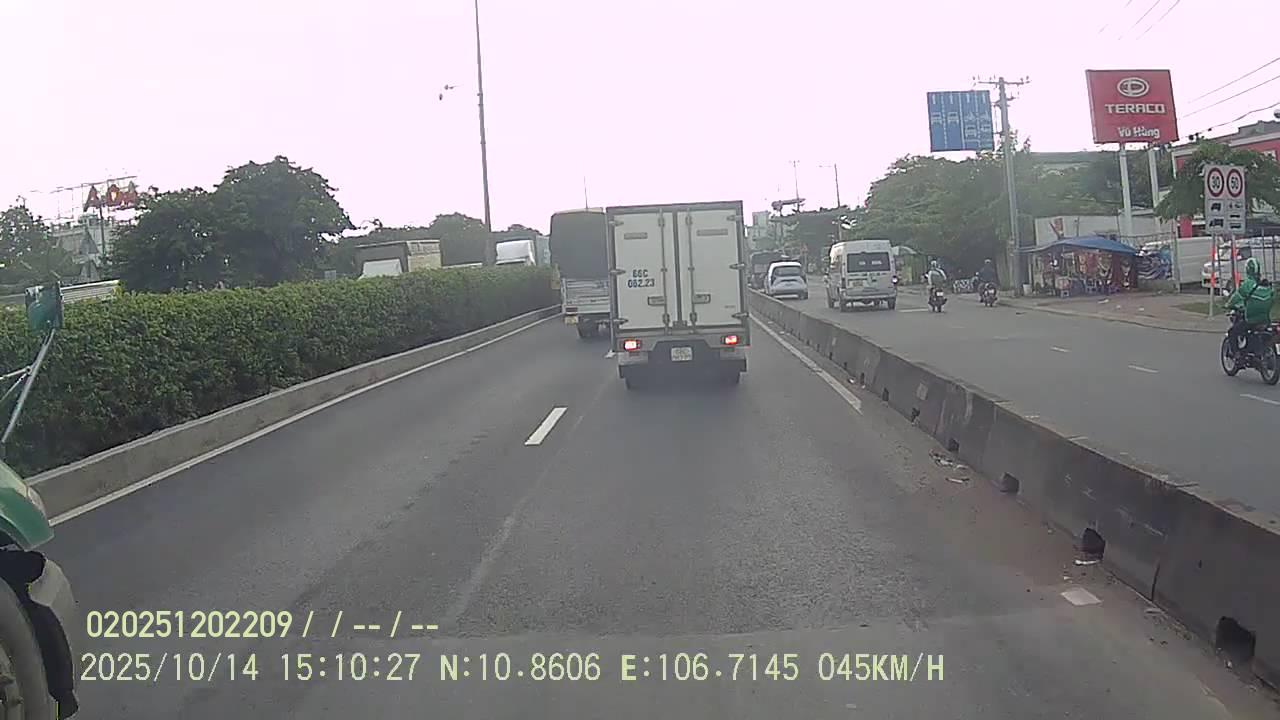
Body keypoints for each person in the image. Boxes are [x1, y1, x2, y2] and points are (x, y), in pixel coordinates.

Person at [1225, 257, 1274, 359]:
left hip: (1251, 319)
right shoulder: (1264, 284)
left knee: (1232, 332)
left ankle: (1237, 354)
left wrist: (1228, 305)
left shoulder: (1248, 284)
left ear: (1247, 269)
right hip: (1266, 319)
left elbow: (1236, 297)